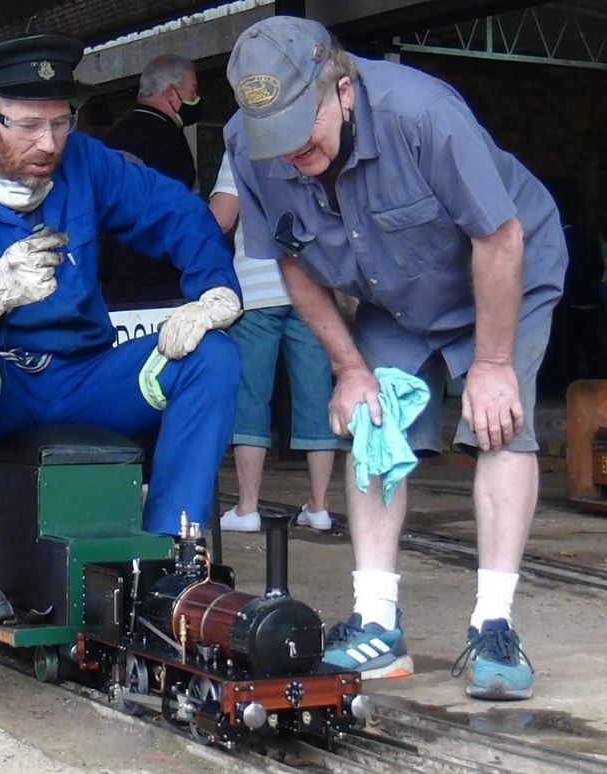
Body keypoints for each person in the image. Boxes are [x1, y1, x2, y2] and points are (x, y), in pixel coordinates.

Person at [224, 16, 567, 701]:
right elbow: (292, 259)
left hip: (500, 273)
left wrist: (494, 365)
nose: (290, 153)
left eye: (302, 130)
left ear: (342, 91)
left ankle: (494, 626)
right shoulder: (248, 141)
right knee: (373, 428)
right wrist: (349, 368)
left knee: (500, 422)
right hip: (393, 293)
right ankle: (377, 622)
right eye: (275, 140)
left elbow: (499, 238)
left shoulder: (424, 115)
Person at [0, 33, 242, 634]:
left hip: (87, 375)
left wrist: (215, 289)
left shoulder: (85, 161)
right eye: (30, 126)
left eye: (61, 124)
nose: (49, 144)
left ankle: (171, 558)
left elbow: (176, 211)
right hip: (1, 378)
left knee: (210, 357)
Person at [209, 151, 340, 532]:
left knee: (252, 395)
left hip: (256, 287)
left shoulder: (240, 144)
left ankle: (247, 508)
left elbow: (222, 217)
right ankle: (319, 506)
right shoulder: (312, 141)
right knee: (317, 393)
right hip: (314, 286)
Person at [99, 54, 202, 304]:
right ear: (172, 94)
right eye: (193, 91)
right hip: (159, 282)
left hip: (111, 281)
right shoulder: (169, 139)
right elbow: (179, 213)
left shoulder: (110, 139)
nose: (197, 100)